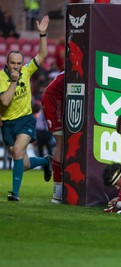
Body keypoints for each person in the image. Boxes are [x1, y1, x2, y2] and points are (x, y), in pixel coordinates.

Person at [0, 15, 51, 201]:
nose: (16, 66)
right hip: (7, 123)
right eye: (12, 63)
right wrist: (14, 81)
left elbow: (42, 55)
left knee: (19, 151)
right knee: (23, 160)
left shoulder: (26, 71)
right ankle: (46, 161)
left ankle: (15, 194)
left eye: (18, 63)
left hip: (26, 120)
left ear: (22, 64)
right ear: (7, 63)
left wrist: (43, 34)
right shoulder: (0, 79)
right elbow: (4, 102)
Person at [42, 72, 64, 203]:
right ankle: (57, 192)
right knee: (61, 144)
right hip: (54, 101)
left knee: (63, 144)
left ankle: (61, 189)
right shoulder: (77, 70)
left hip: (55, 99)